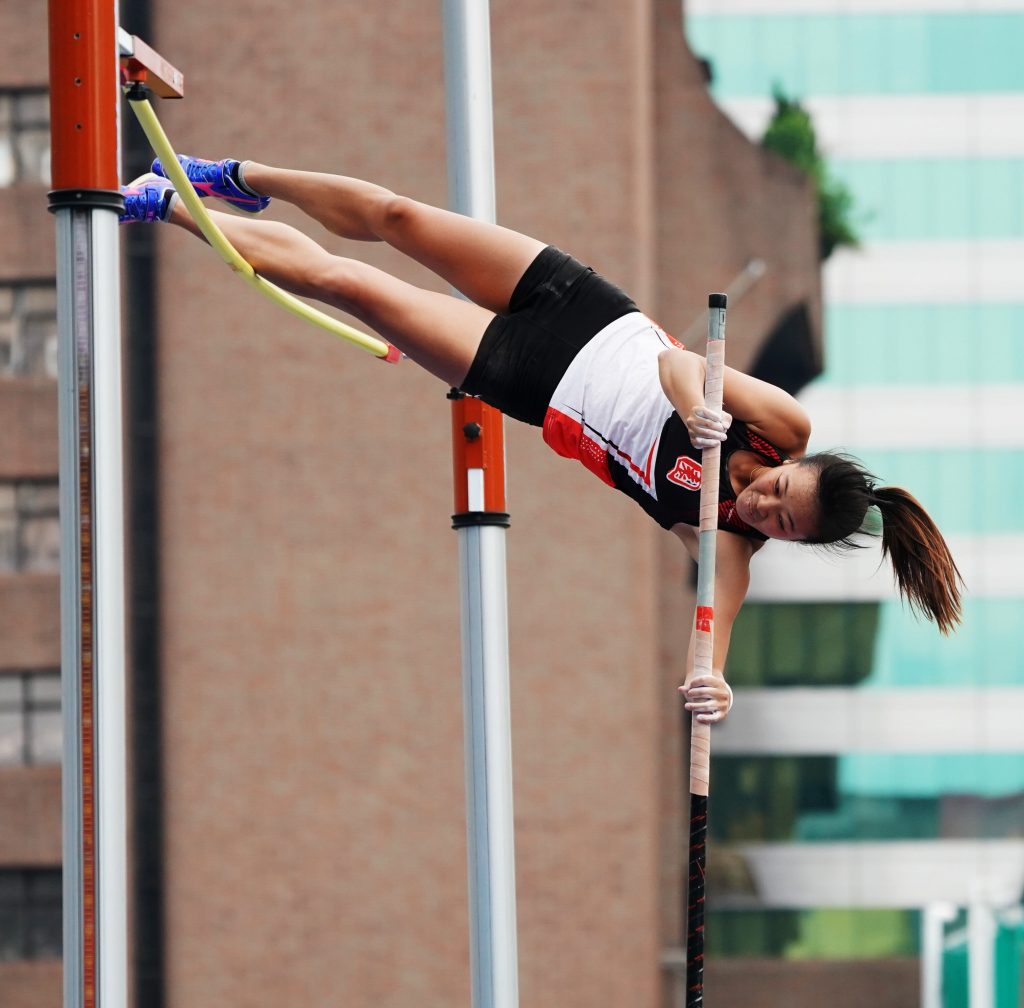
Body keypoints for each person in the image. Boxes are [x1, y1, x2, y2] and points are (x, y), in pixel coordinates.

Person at [119, 156, 964, 724]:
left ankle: (171, 207)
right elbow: (676, 374)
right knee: (397, 216)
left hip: (532, 378)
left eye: (777, 522)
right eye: (779, 492)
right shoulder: (783, 424)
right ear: (794, 465)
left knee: (351, 284)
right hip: (588, 311)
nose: (761, 505)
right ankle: (232, 176)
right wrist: (698, 403)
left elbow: (709, 643)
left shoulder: (725, 545)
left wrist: (712, 683)